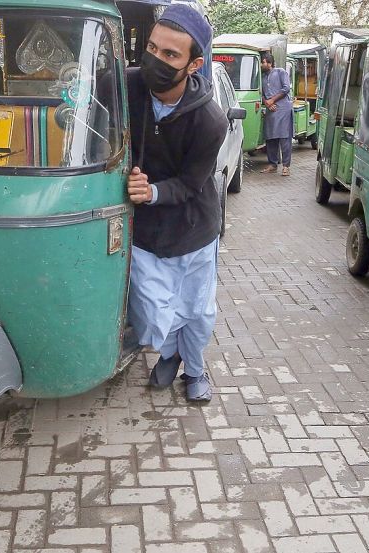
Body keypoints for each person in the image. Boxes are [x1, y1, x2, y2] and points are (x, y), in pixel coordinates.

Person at [125, 5, 227, 402]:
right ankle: (168, 351)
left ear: (194, 64)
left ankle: (194, 369)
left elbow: (189, 184)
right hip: (146, 230)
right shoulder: (124, 86)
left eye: (170, 55)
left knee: (198, 311)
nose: (156, 61)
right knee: (152, 311)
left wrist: (151, 192)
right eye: (152, 48)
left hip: (194, 228)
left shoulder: (210, 121)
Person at [259, 53, 293, 176]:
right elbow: (260, 93)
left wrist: (272, 100)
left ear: (269, 63)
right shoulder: (262, 77)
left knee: (284, 138)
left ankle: (286, 166)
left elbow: (286, 88)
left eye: (263, 62)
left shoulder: (280, 72)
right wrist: (267, 103)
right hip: (270, 110)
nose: (262, 64)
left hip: (283, 109)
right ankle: (273, 164)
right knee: (270, 138)